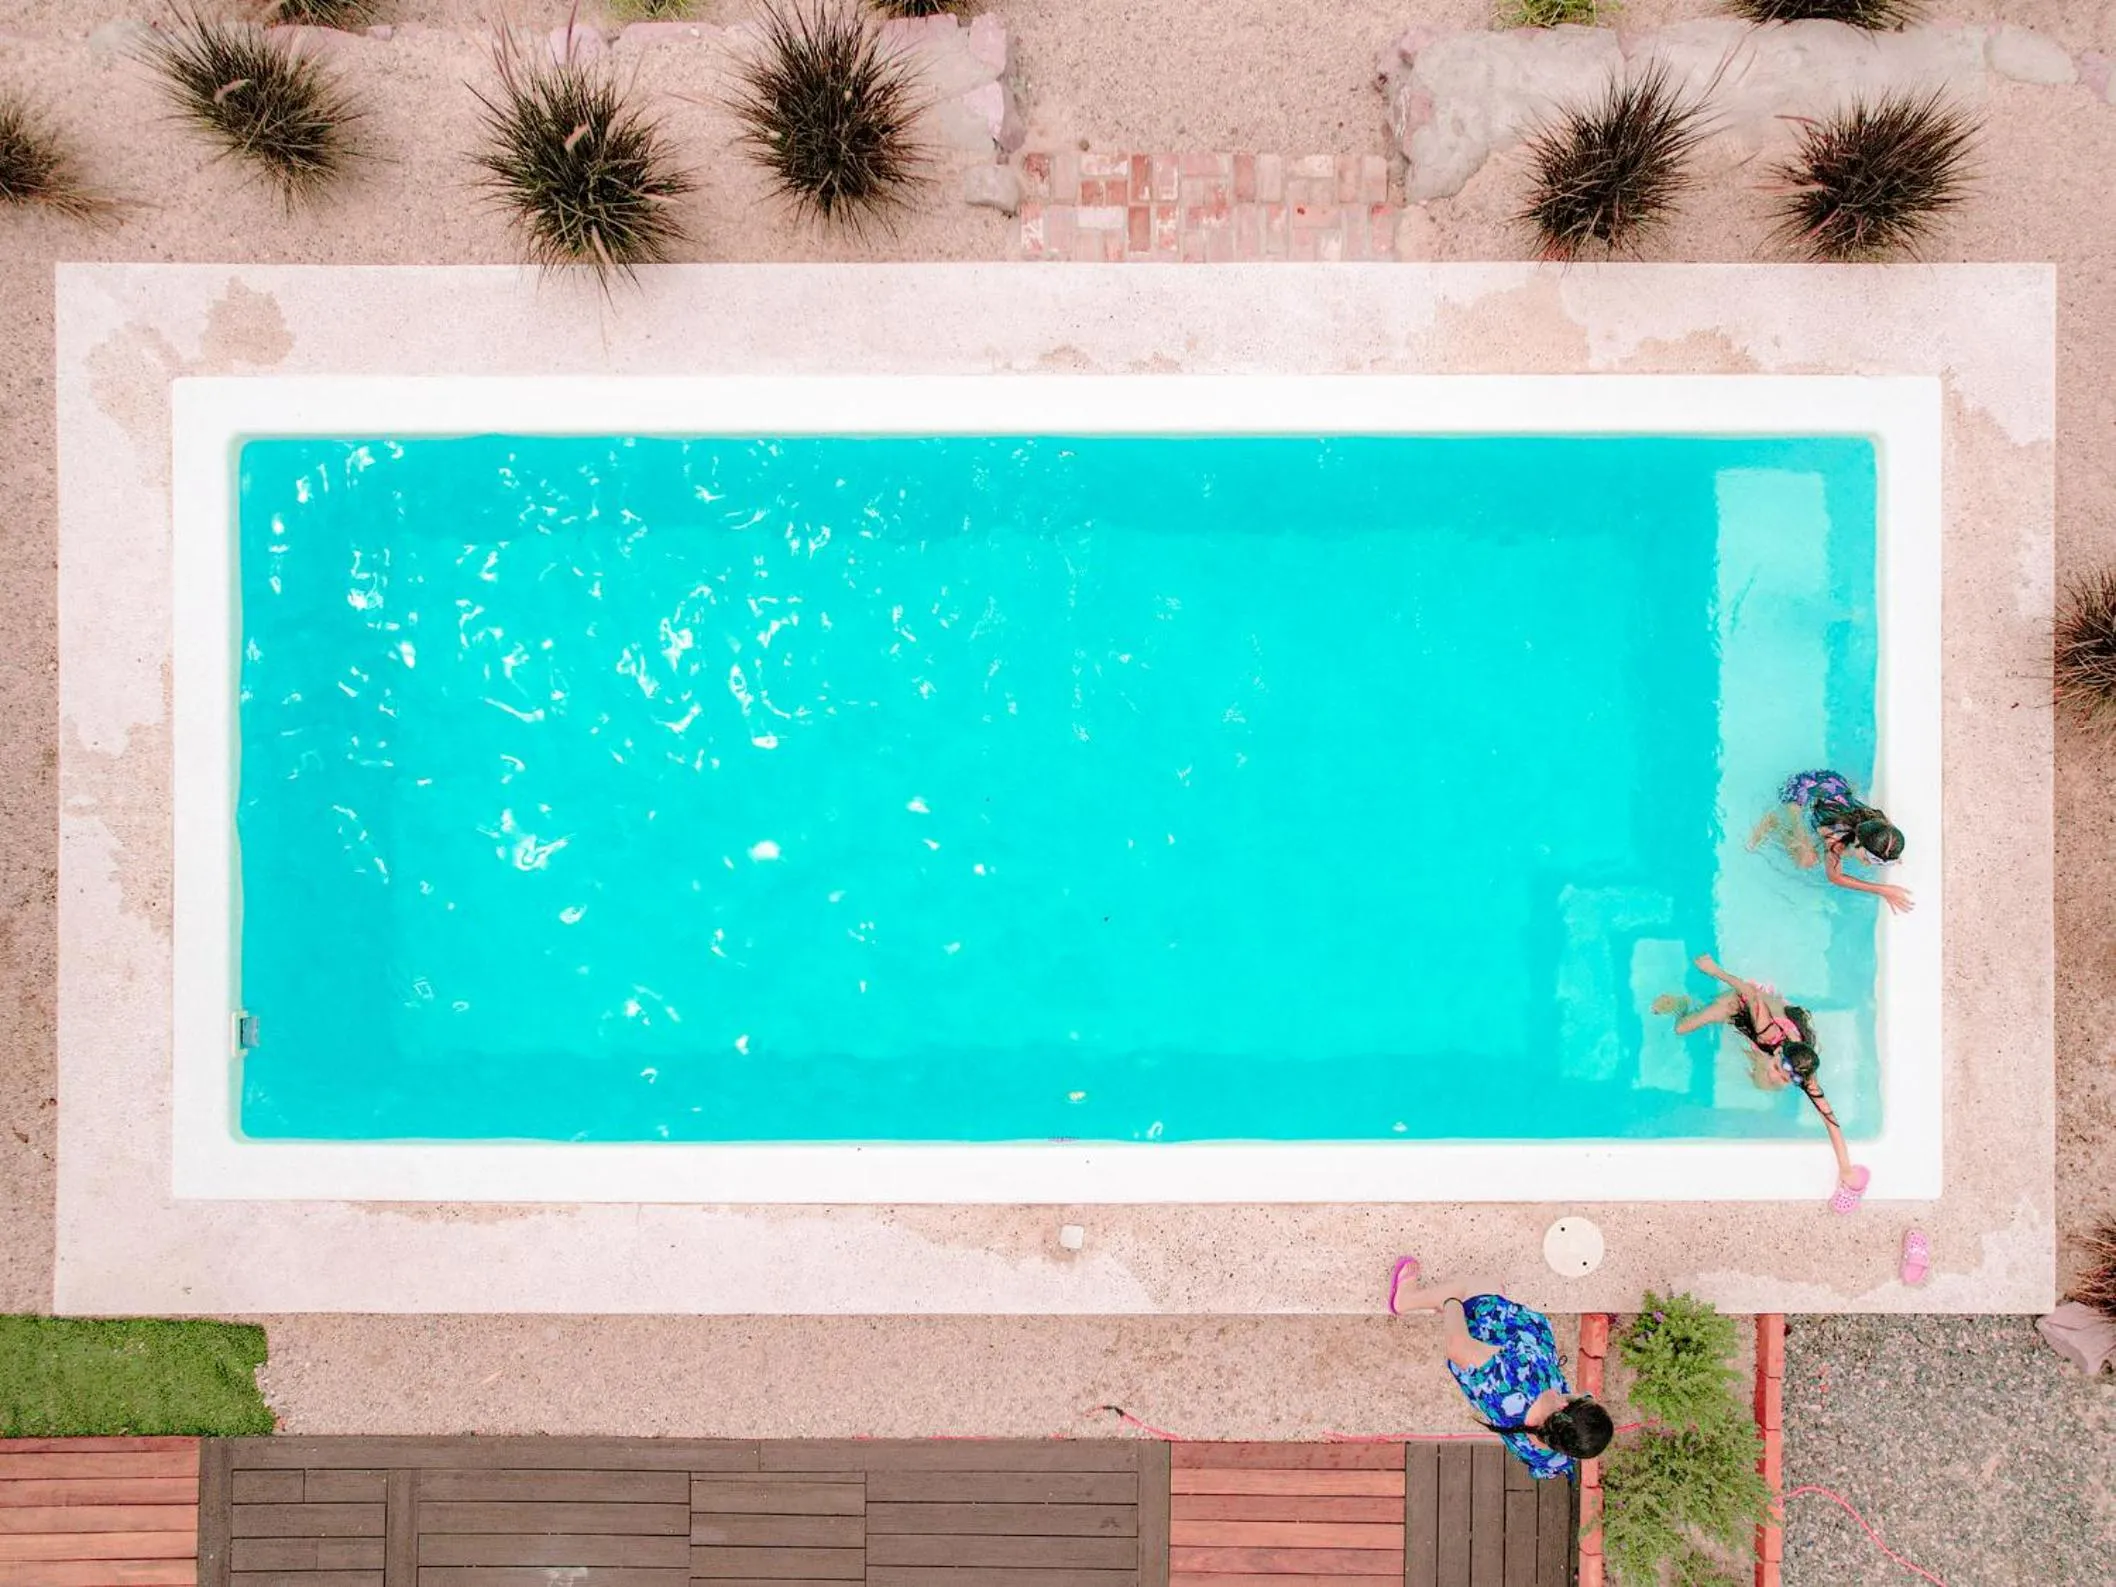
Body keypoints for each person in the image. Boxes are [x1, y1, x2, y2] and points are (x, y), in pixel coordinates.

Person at [1653, 953, 1869, 1213]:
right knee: (1682, 1029)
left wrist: (1845, 1168)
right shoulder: (1769, 1032)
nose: (1778, 1076)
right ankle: (1683, 1005)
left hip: (1773, 1027)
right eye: (1779, 1069)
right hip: (1741, 1006)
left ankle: (1756, 1055)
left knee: (1764, 1083)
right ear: (1778, 1054)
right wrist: (1714, 971)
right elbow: (1752, 995)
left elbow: (1830, 1120)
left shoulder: (1805, 1073)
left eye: (1787, 1078)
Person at [1385, 1258, 1612, 1479]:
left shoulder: (1510, 1382)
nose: (1584, 1394)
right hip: (1513, 1349)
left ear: (1564, 1405)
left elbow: (1457, 1347)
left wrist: (1452, 1302)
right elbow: (1547, 1467)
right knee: (1491, 1288)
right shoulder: (1555, 1452)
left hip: (1487, 1347)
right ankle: (1470, 1304)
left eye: (1583, 1398)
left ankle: (1406, 1299)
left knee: (1479, 1284)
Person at [1749, 768, 1912, 915]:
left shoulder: (1877, 821)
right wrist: (1883, 890)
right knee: (1807, 860)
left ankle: (1818, 809)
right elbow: (1836, 877)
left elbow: (1888, 834)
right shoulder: (1835, 839)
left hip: (1832, 783)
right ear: (1859, 842)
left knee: (1834, 812)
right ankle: (1775, 821)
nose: (1869, 864)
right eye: (1870, 859)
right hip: (1799, 791)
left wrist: (1889, 855)